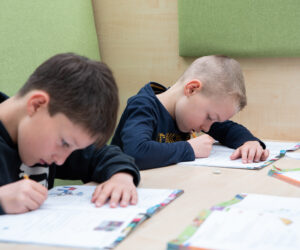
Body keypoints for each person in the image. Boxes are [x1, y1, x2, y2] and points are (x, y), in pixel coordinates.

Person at [0, 53, 140, 215]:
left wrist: (121, 177)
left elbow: (104, 155)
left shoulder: (45, 135)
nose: (60, 161)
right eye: (65, 143)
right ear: (37, 105)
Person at [111, 55, 269, 170]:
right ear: (191, 89)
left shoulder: (189, 114)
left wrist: (249, 142)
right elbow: (136, 152)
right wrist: (189, 149)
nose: (207, 128)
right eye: (210, 117)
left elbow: (228, 128)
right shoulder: (143, 106)